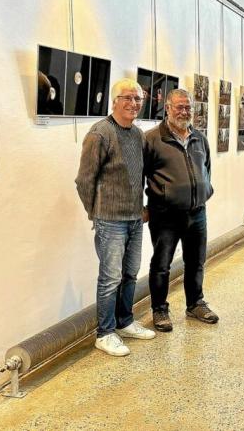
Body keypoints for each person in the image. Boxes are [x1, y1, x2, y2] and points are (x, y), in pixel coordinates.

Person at [75, 78, 156, 357]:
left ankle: (124, 322)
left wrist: (143, 208)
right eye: (128, 98)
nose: (133, 104)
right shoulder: (99, 134)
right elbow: (84, 181)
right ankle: (105, 332)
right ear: (114, 101)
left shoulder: (138, 135)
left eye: (138, 99)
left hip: (135, 218)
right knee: (110, 278)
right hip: (110, 220)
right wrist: (96, 214)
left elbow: (138, 176)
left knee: (130, 274)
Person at [144, 88, 218, 332]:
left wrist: (205, 190)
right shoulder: (152, 139)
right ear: (167, 108)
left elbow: (206, 167)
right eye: (179, 107)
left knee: (196, 261)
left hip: (197, 213)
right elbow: (138, 176)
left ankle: (195, 303)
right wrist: (143, 208)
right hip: (165, 215)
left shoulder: (199, 138)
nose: (185, 111)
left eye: (188, 107)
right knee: (162, 264)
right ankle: (159, 309)